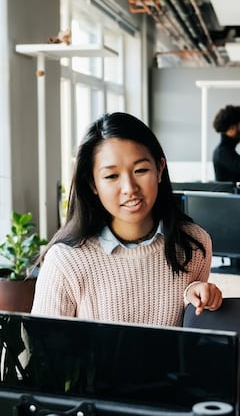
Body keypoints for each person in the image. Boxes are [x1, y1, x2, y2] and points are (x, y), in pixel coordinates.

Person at [31, 112, 223, 326]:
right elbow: (44, 343)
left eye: (140, 170)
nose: (129, 188)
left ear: (159, 169)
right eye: (111, 176)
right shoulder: (65, 260)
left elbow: (185, 326)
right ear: (93, 183)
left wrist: (196, 296)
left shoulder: (194, 244)